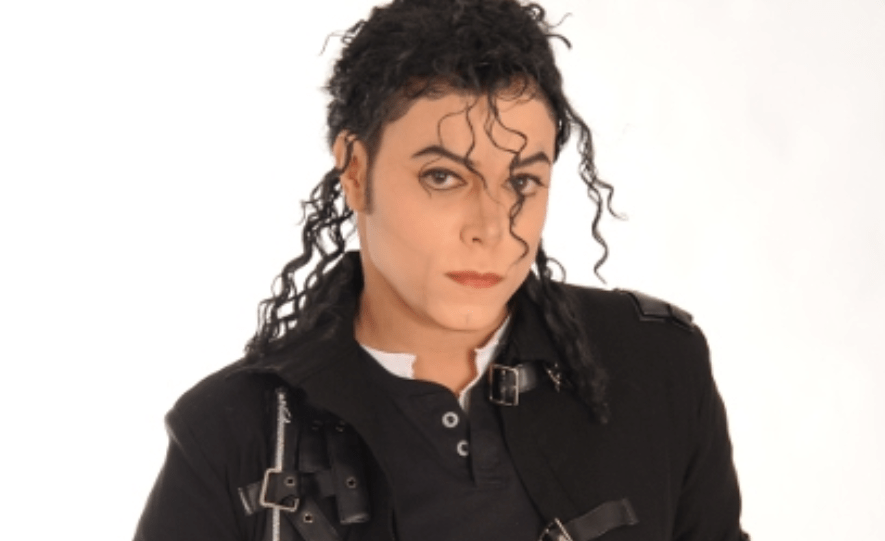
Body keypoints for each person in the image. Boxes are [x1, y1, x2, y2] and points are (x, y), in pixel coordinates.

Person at [134, 1, 749, 540]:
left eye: (522, 182)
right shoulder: (232, 437)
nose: (490, 226)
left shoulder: (658, 365)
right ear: (355, 170)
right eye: (444, 177)